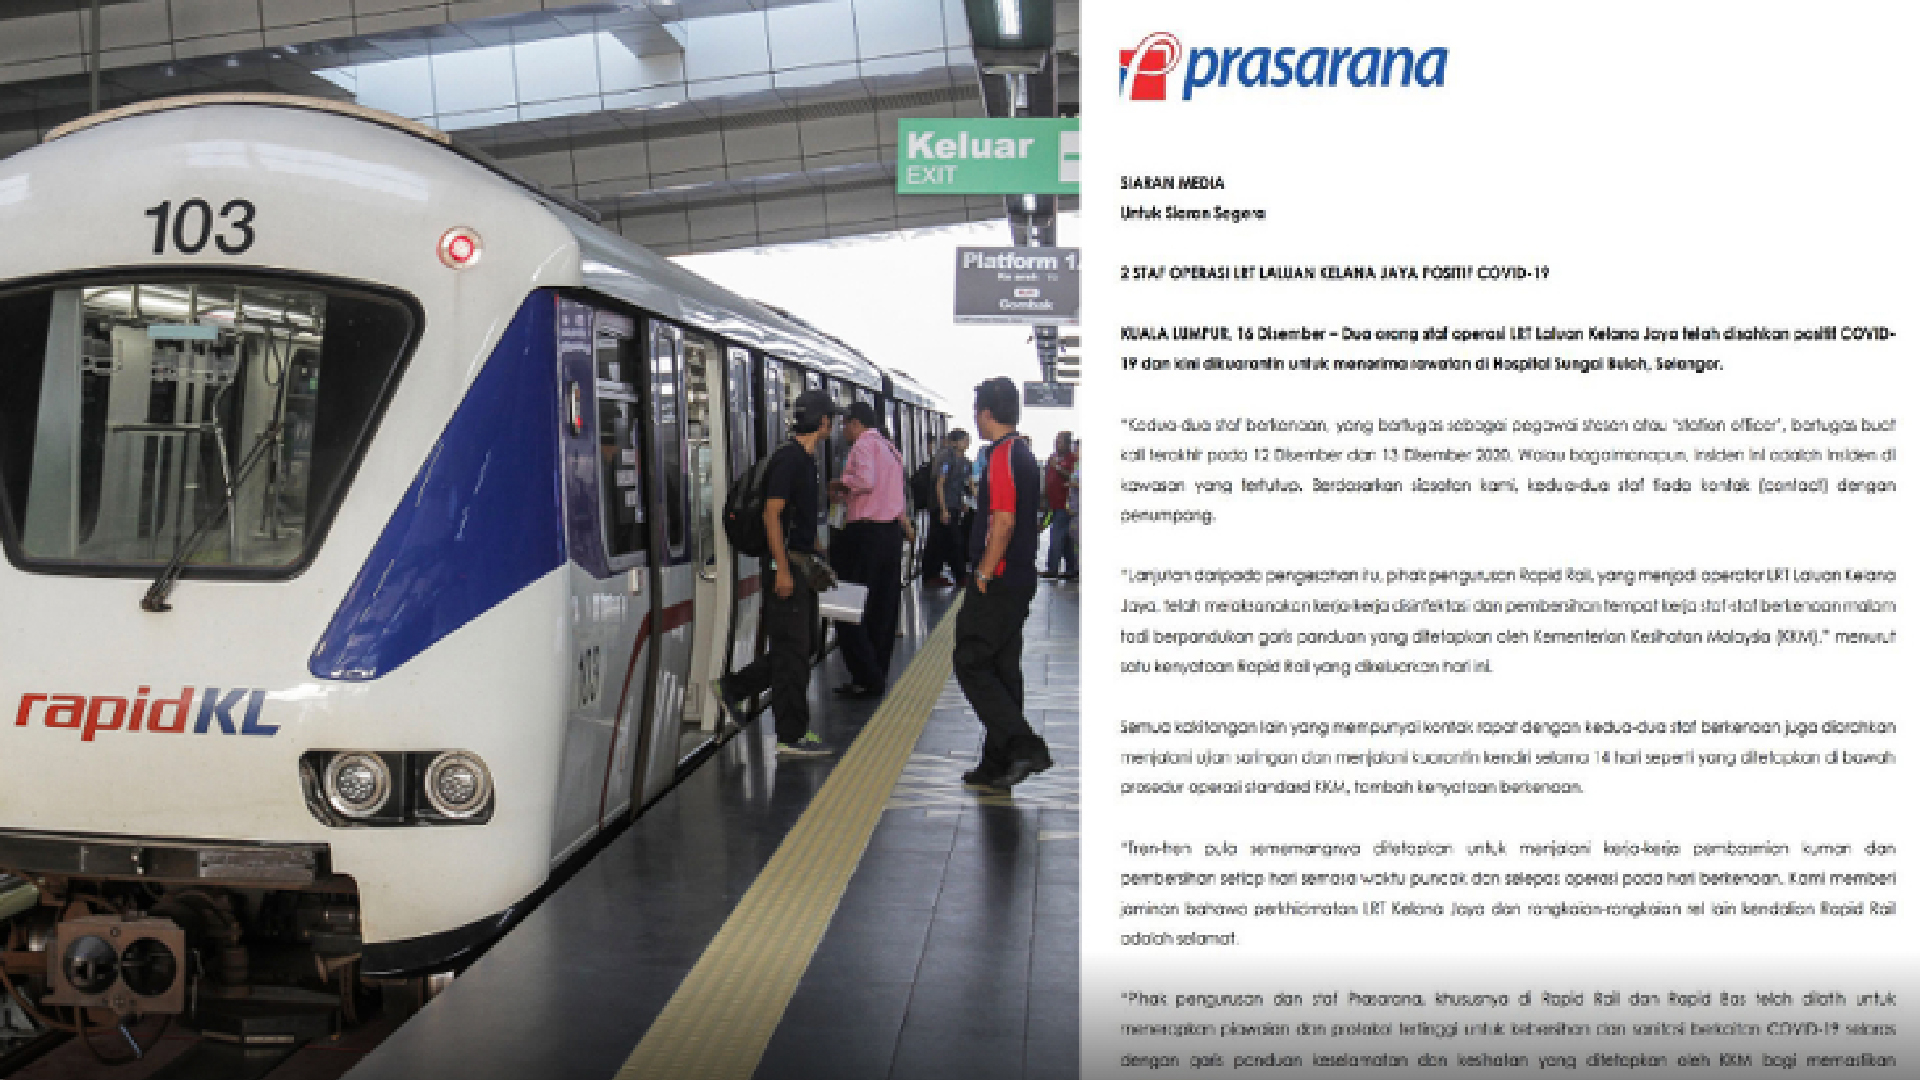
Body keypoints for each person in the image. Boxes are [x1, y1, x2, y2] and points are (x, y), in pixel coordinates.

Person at [712, 388, 842, 756]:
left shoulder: (805, 460)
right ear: (823, 422)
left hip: (800, 564)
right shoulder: (790, 461)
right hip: (786, 568)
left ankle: (736, 689)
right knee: (793, 650)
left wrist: (818, 552)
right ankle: (790, 733)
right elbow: (772, 514)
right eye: (831, 418)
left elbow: (796, 517)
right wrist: (782, 569)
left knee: (801, 647)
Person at [954, 377, 1051, 789]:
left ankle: (1022, 746)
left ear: (986, 414)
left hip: (999, 578)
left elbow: (1004, 521)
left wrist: (983, 571)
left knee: (970, 661)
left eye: (977, 411)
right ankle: (997, 763)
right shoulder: (1023, 453)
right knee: (1003, 667)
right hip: (1018, 577)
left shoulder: (1002, 455)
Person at [827, 401, 913, 697]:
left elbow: (865, 481)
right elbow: (897, 494)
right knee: (882, 607)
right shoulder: (891, 449)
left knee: (847, 604)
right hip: (890, 534)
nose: (843, 430)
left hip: (864, 534)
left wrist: (840, 484)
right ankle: (877, 673)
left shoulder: (863, 445)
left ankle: (866, 674)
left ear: (855, 423)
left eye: (845, 424)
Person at [921, 428, 971, 588]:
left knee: (939, 541)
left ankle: (933, 574)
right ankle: (960, 575)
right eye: (964, 440)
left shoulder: (964, 461)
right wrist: (943, 509)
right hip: (943, 506)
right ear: (955, 442)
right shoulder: (946, 457)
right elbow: (940, 484)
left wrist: (962, 502)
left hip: (954, 505)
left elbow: (961, 484)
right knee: (953, 540)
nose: (967, 443)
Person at [1042, 430, 1078, 581]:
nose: (1057, 444)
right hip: (1053, 503)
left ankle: (1052, 568)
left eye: (1060, 441)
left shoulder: (1073, 459)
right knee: (1066, 539)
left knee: (1057, 536)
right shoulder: (1053, 457)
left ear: (1068, 443)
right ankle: (1071, 569)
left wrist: (1057, 467)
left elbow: (1073, 477)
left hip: (1066, 505)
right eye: (1056, 441)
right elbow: (1047, 478)